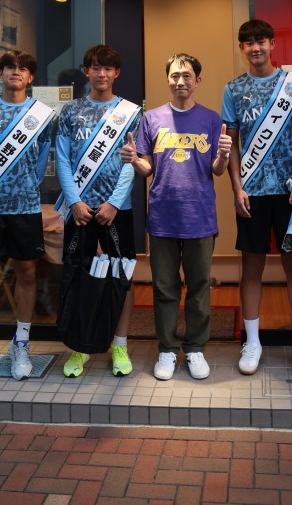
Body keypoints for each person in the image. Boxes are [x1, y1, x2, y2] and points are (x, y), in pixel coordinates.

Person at [121, 53, 232, 380]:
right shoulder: (151, 118)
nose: (180, 81)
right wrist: (133, 160)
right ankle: (167, 350)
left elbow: (217, 170)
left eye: (186, 76)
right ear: (167, 80)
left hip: (200, 217)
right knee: (164, 288)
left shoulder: (211, 119)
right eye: (174, 75)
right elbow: (147, 168)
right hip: (163, 217)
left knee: (199, 288)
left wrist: (224, 155)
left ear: (197, 81)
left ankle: (195, 348)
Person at [222, 19, 292, 377]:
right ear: (241, 48)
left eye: (261, 41)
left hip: (290, 191)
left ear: (273, 44)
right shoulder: (233, 89)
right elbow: (231, 143)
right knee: (251, 268)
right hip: (252, 193)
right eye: (248, 42)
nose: (255, 47)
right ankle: (253, 342)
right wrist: (237, 187)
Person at [0, 50, 54, 385]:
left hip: (26, 209)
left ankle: (21, 344)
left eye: (22, 68)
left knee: (27, 275)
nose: (15, 72)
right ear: (0, 73)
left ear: (30, 77)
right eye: (9, 67)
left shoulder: (42, 115)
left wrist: (24, 187)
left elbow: (41, 160)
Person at [55, 45, 141, 379]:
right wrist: (74, 201)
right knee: (79, 275)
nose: (101, 73)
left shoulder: (131, 112)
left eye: (107, 68)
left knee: (122, 276)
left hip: (117, 209)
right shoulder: (70, 111)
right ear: (86, 71)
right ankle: (79, 346)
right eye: (95, 67)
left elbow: (133, 161)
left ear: (116, 73)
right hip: (78, 210)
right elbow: (62, 159)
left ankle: (120, 345)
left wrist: (115, 203)